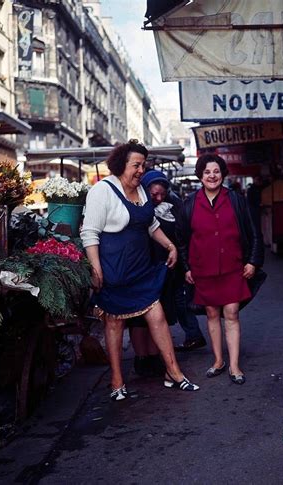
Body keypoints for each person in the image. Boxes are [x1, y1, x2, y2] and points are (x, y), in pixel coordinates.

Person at [81, 140, 199, 401]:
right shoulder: (102, 190)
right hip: (114, 271)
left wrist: (171, 246)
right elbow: (89, 232)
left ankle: (174, 373)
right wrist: (96, 269)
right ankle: (116, 381)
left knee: (157, 317)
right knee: (114, 324)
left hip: (141, 270)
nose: (140, 170)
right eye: (136, 165)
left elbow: (151, 223)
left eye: (143, 165)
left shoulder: (142, 190)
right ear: (121, 164)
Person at [177, 154, 264, 385]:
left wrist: (252, 262)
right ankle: (218, 361)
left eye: (216, 171)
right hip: (203, 270)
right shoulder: (189, 204)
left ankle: (234, 365)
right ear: (200, 175)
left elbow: (254, 233)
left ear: (223, 174)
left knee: (232, 313)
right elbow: (182, 240)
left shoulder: (236, 200)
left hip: (233, 267)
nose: (212, 176)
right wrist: (186, 267)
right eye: (207, 172)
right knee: (212, 314)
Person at [127, 169, 206, 377]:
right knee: (137, 318)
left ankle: (155, 358)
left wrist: (184, 264)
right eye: (154, 194)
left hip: (165, 271)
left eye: (162, 194)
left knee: (160, 316)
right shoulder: (134, 206)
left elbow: (181, 237)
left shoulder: (172, 207)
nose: (159, 198)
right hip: (139, 269)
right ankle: (141, 358)